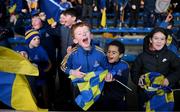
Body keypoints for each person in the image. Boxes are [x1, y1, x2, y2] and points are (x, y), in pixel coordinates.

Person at [131, 27, 180, 111]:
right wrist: (138, 80)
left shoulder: (170, 55)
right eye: (156, 38)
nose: (159, 41)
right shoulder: (141, 57)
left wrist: (169, 80)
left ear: (165, 41)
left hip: (164, 94)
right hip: (145, 94)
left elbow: (178, 70)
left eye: (162, 39)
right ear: (150, 40)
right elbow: (134, 72)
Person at [60, 22, 107, 110]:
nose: (84, 34)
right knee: (78, 106)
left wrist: (108, 74)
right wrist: (72, 72)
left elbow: (107, 68)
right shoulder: (73, 53)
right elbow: (63, 66)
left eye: (86, 32)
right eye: (79, 33)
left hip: (96, 87)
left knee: (95, 107)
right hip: (78, 87)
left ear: (91, 35)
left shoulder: (100, 52)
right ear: (75, 40)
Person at [25, 29, 51, 108]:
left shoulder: (41, 49)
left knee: (45, 94)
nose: (37, 41)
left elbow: (49, 64)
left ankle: (47, 107)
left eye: (38, 39)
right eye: (34, 39)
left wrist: (43, 71)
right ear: (29, 40)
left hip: (41, 76)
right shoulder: (24, 50)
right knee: (32, 94)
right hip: (30, 77)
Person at [101, 40, 129, 111]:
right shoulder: (104, 62)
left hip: (119, 100)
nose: (110, 55)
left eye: (114, 53)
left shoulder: (124, 65)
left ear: (120, 55)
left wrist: (111, 74)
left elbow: (116, 70)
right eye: (109, 52)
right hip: (105, 98)